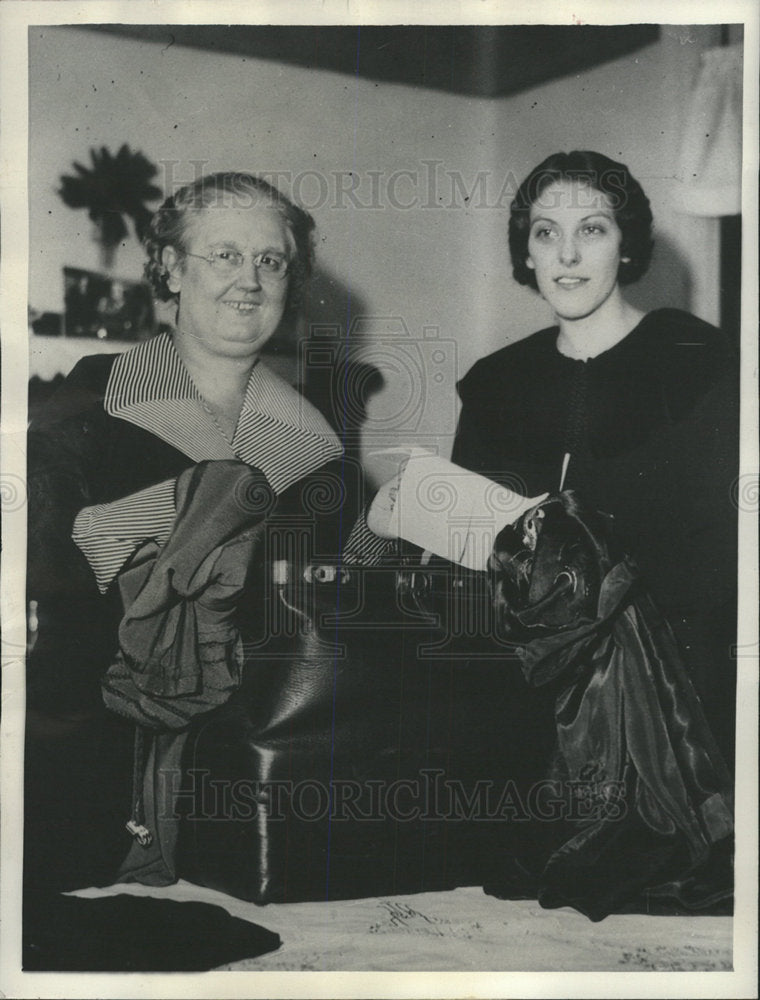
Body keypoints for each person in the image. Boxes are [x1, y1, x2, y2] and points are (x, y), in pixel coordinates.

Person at [25, 172, 353, 891]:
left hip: (240, 790)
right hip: (81, 768)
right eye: (225, 256)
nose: (251, 281)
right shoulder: (86, 398)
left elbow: (319, 628)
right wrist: (189, 509)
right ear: (171, 269)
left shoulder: (317, 446)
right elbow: (35, 563)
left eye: (271, 261)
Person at [450, 150, 737, 916]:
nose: (568, 254)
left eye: (592, 229)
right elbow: (468, 548)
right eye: (546, 233)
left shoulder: (698, 360)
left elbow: (722, 552)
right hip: (528, 675)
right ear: (527, 251)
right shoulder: (497, 382)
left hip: (666, 674)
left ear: (627, 244)